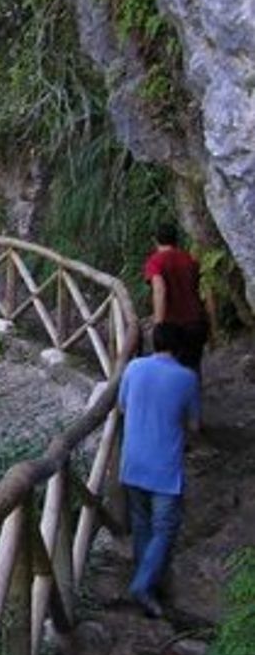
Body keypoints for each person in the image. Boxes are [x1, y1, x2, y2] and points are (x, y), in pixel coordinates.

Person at [118, 322, 201, 618]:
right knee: (165, 528)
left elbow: (123, 407)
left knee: (141, 523)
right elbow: (194, 425)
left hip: (132, 461)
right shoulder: (187, 378)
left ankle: (146, 580)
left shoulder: (134, 368)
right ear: (179, 348)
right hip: (165, 468)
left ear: (154, 343)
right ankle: (143, 584)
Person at [143, 222, 208, 375]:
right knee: (192, 368)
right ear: (176, 239)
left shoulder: (155, 261)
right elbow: (205, 291)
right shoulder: (190, 259)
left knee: (169, 372)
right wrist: (212, 322)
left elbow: (159, 290)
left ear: (155, 240)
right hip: (195, 322)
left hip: (171, 325)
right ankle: (193, 397)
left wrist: (158, 324)